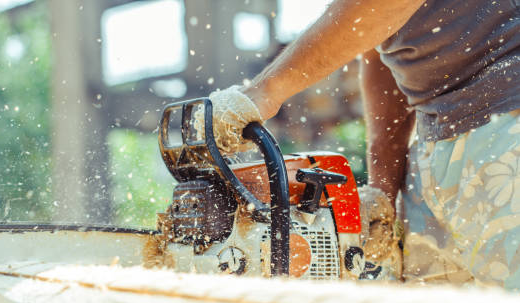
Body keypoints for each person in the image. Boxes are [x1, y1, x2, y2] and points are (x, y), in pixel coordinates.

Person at [200, 0, 519, 288]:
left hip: (507, 127)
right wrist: (382, 189)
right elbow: (375, 39)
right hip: (436, 144)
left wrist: (265, 92)